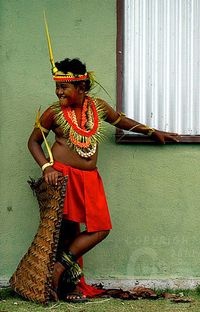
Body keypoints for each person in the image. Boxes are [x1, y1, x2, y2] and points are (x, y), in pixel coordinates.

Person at [27, 57, 179, 302]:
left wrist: (151, 131)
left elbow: (121, 120)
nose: (58, 92)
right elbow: (33, 141)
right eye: (57, 86)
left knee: (100, 229)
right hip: (62, 177)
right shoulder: (53, 113)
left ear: (81, 87)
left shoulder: (97, 107)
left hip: (89, 179)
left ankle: (58, 269)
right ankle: (70, 287)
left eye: (64, 87)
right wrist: (46, 167)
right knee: (66, 232)